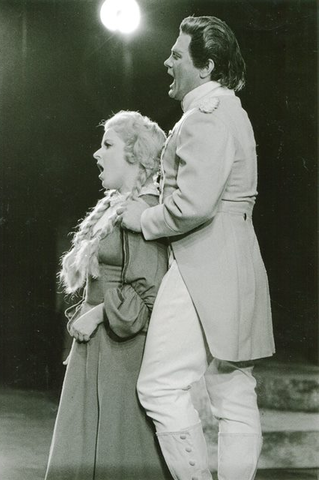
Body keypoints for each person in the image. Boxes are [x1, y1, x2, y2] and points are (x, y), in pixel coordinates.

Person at [119, 16, 275, 480]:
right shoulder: (231, 109)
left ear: (205, 67)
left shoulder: (205, 116)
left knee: (160, 386)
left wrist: (142, 219)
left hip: (202, 259)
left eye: (176, 55)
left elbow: (194, 205)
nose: (167, 62)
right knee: (232, 388)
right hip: (236, 256)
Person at [44, 111, 172, 480]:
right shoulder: (116, 208)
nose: (97, 154)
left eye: (108, 145)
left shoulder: (144, 211)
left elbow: (150, 296)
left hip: (121, 352)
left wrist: (98, 314)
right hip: (99, 347)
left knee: (120, 451)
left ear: (135, 154)